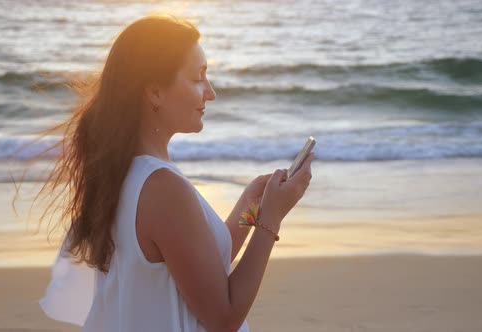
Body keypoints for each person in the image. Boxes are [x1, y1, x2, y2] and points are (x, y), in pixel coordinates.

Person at [36, 14, 314, 331]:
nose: (210, 92)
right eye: (197, 78)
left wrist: (252, 207)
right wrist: (271, 219)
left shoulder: (126, 171)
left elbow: (196, 267)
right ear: (155, 92)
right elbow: (223, 317)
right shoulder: (162, 187)